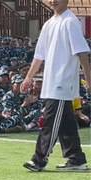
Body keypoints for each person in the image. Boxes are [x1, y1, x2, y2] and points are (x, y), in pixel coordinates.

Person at [21, 0, 90, 171]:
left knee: (50, 122)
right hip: (51, 81)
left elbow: (82, 54)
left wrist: (89, 80)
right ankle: (76, 159)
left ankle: (39, 159)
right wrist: (28, 77)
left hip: (62, 81)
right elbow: (39, 55)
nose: (53, 1)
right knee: (65, 123)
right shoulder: (49, 24)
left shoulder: (71, 22)